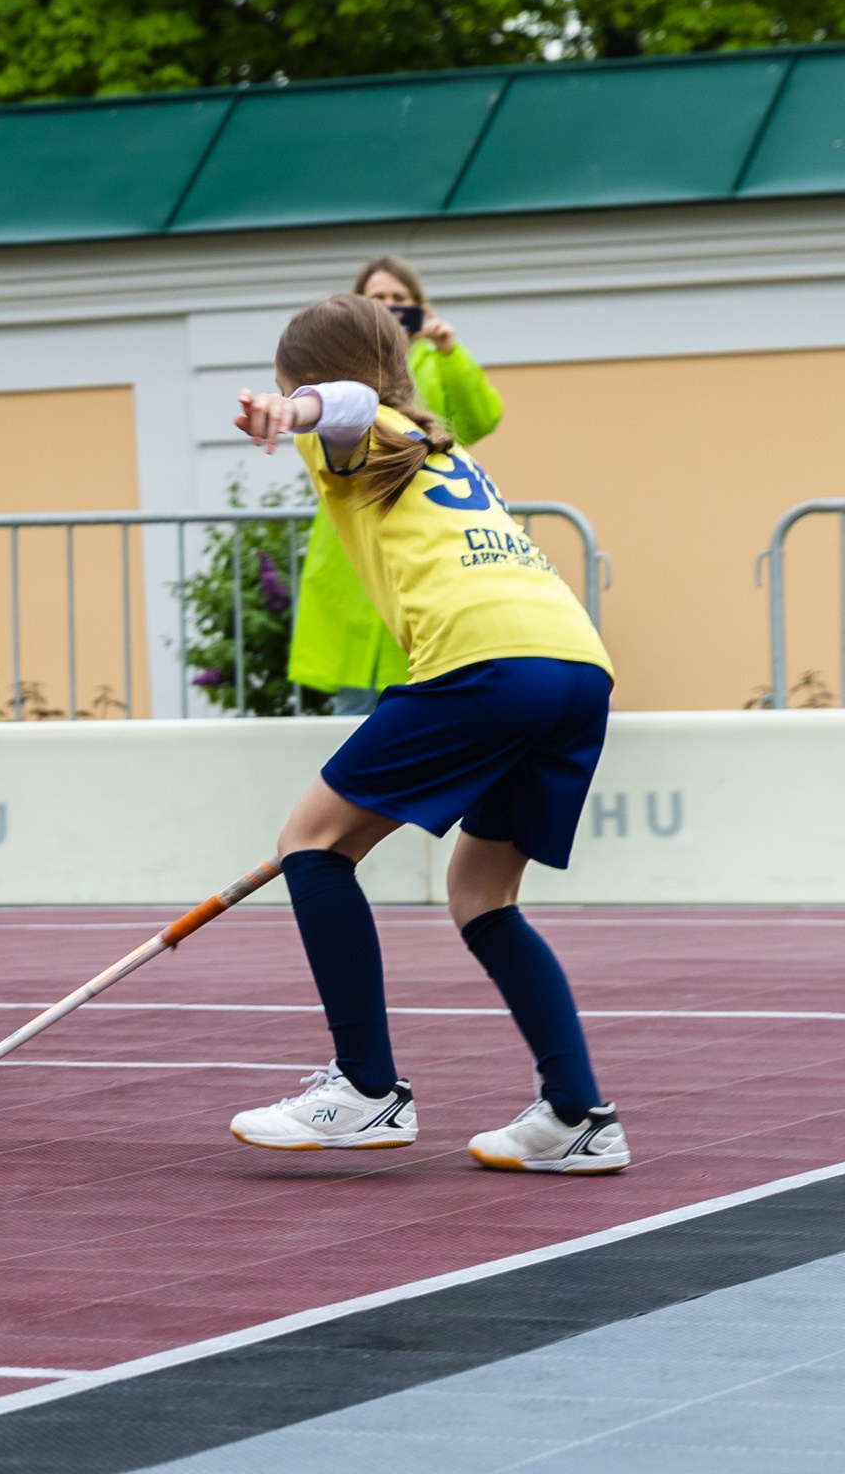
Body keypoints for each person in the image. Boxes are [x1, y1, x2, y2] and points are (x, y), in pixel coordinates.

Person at [227, 293, 628, 1174]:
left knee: (312, 843)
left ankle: (366, 1091)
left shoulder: (360, 431)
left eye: (295, 387)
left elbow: (350, 405)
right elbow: (365, 401)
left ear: (313, 380)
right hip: (574, 666)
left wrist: (289, 408)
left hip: (485, 662)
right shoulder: (441, 444)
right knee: (483, 895)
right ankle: (574, 1116)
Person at [289, 255, 506, 714]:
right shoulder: (341, 367)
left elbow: (481, 420)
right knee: (353, 703)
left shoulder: (434, 361)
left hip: (416, 529)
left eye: (398, 299)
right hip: (352, 536)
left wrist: (450, 351)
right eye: (377, 299)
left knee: (417, 692)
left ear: (418, 307)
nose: (389, 307)